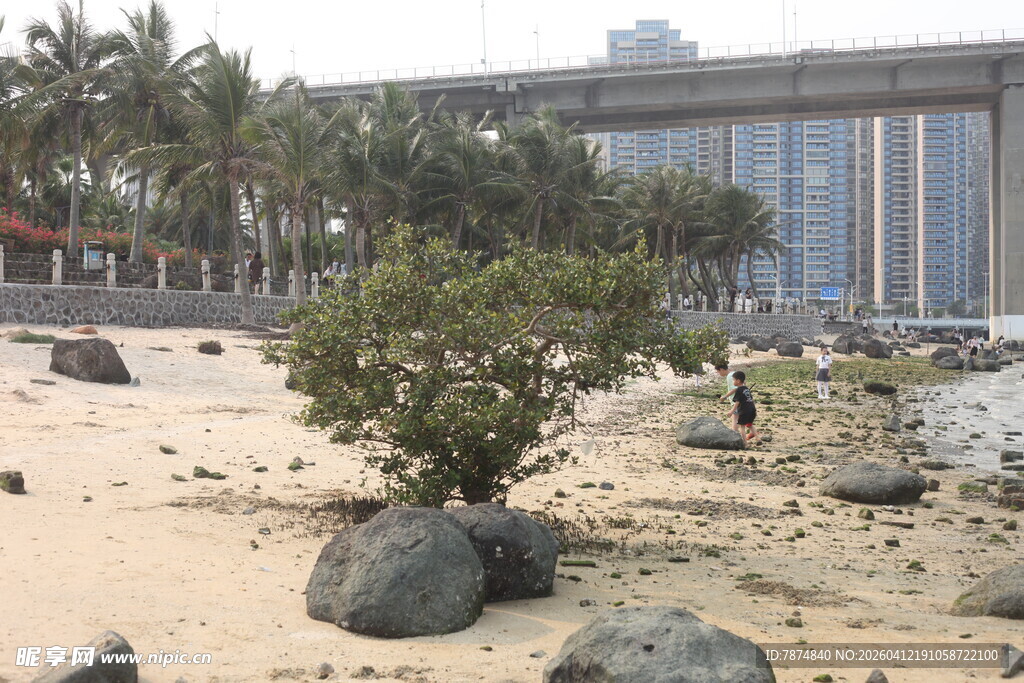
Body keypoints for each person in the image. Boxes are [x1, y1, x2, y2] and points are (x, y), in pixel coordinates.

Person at [727, 371, 761, 446]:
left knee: (742, 427)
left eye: (733, 380)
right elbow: (751, 400)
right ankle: (758, 438)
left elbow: (737, 402)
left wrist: (731, 411)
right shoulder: (746, 389)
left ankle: (745, 443)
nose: (733, 381)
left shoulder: (739, 390)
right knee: (750, 425)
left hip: (744, 411)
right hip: (752, 410)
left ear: (738, 381)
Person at [715, 364, 738, 430]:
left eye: (718, 372)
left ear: (721, 370)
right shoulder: (735, 373)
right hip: (741, 399)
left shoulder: (730, 376)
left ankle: (734, 435)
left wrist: (725, 397)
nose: (718, 373)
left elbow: (735, 389)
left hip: (736, 400)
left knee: (735, 418)